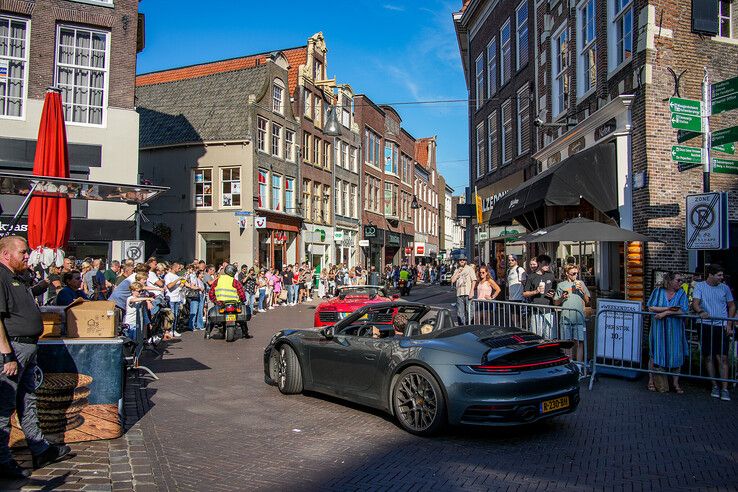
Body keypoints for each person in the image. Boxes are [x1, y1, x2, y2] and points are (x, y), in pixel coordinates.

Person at [0, 236, 71, 478]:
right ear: (6, 254)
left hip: (28, 348)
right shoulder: (0, 276)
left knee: (28, 400)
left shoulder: (16, 277)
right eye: (22, 252)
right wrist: (6, 354)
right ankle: (2, 459)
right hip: (13, 350)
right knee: (4, 405)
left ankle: (40, 448)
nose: (27, 256)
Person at [692, 264, 736, 401]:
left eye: (722, 275)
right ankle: (714, 385)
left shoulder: (725, 288)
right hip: (705, 324)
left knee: (722, 356)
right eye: (719, 275)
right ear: (710, 275)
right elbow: (695, 303)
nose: (722, 278)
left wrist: (729, 323)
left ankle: (724, 388)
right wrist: (700, 311)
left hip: (721, 325)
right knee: (708, 356)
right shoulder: (700, 286)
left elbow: (731, 305)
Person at [646, 271, 688, 393]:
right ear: (669, 281)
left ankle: (675, 383)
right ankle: (651, 380)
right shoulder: (658, 291)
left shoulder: (681, 293)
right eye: (678, 280)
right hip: (658, 329)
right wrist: (669, 308)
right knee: (655, 353)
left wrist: (666, 313)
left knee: (677, 354)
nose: (681, 282)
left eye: (681, 280)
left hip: (675, 329)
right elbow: (651, 307)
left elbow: (683, 310)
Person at [555, 265, 591, 364]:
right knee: (567, 343)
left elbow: (588, 301)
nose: (575, 275)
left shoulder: (581, 283)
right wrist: (562, 297)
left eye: (576, 273)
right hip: (566, 318)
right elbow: (556, 303)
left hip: (579, 318)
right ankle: (569, 363)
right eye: (573, 273)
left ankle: (579, 365)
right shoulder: (561, 285)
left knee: (580, 342)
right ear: (567, 273)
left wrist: (582, 291)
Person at [523, 254, 557, 338]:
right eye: (545, 263)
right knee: (537, 336)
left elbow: (556, 290)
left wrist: (553, 294)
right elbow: (524, 293)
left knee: (549, 336)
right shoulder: (531, 276)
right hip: (536, 310)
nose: (547, 266)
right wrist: (536, 291)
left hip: (549, 309)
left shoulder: (551, 276)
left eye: (548, 264)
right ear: (539, 263)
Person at [451, 255, 476, 325]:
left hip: (468, 293)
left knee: (469, 312)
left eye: (463, 260)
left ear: (466, 261)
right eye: (460, 260)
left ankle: (470, 326)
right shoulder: (456, 270)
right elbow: (452, 280)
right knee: (460, 313)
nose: (462, 261)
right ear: (458, 261)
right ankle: (461, 327)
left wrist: (471, 291)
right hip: (459, 294)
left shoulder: (469, 268)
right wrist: (457, 272)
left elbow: (474, 280)